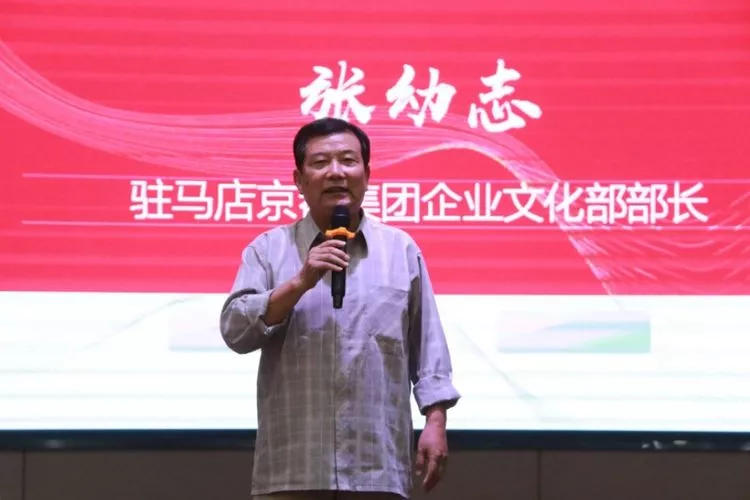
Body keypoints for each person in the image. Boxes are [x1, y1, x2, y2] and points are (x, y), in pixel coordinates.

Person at [219, 117, 460, 500]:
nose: (336, 172)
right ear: (298, 180)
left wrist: (435, 420)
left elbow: (428, 346)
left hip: (376, 470)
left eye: (348, 161)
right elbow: (235, 330)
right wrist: (298, 283)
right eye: (320, 163)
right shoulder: (268, 249)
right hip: (293, 470)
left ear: (367, 173)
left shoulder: (400, 250)